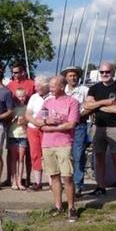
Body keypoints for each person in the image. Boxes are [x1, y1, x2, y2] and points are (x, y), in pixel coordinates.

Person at [34, 75, 80, 222]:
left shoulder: (72, 102)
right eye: (50, 86)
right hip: (47, 144)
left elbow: (71, 124)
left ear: (62, 86)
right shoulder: (47, 102)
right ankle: (58, 206)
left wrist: (52, 128)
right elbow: (39, 122)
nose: (51, 88)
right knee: (53, 176)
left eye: (54, 86)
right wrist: (48, 121)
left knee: (67, 176)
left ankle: (71, 207)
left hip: (64, 144)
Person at [83, 62, 116, 200]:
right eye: (102, 72)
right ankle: (100, 186)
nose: (104, 74)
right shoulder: (94, 88)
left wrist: (97, 106)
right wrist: (105, 103)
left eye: (107, 72)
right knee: (99, 158)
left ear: (112, 71)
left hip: (115, 126)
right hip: (98, 126)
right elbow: (87, 105)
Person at [61, 66, 90, 197]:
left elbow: (89, 106)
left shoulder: (84, 90)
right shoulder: (63, 90)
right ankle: (67, 182)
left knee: (78, 155)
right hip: (65, 126)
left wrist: (80, 114)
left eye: (74, 75)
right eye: (70, 76)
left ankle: (78, 185)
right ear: (66, 78)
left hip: (79, 125)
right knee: (65, 155)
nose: (73, 78)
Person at [23, 75, 50, 191]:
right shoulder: (34, 97)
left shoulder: (52, 97)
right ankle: (37, 182)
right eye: (36, 85)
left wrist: (44, 123)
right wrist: (35, 122)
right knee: (35, 154)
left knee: (48, 155)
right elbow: (28, 113)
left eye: (39, 85)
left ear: (45, 86)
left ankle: (51, 182)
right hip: (33, 128)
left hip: (48, 129)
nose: (37, 88)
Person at [7, 88, 29, 190]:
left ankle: (20, 181)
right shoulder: (12, 108)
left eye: (23, 96)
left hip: (23, 136)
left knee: (21, 159)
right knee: (13, 159)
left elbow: (29, 121)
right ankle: (13, 181)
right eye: (19, 96)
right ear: (15, 97)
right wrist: (13, 120)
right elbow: (8, 121)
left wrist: (24, 121)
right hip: (13, 135)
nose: (21, 98)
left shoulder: (27, 108)